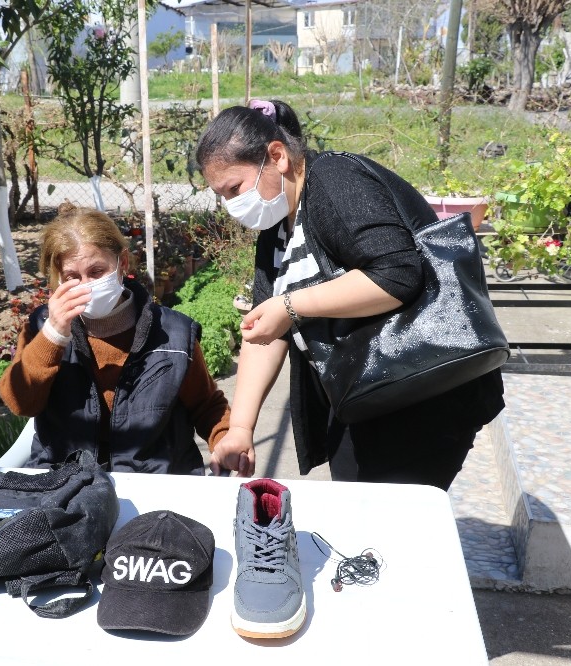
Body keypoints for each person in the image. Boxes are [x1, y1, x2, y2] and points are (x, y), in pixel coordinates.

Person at [195, 99, 505, 490]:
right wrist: (240, 428)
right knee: (360, 514)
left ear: (277, 157)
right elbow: (264, 328)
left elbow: (397, 274)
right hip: (367, 392)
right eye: (221, 195)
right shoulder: (275, 229)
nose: (231, 205)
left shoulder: (334, 180)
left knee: (383, 529)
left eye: (234, 188)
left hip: (424, 392)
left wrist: (290, 306)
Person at [0, 204, 239, 475]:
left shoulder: (173, 332)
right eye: (72, 277)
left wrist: (225, 439)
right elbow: (20, 402)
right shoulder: (43, 327)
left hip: (155, 481)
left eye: (97, 271)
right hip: (66, 482)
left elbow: (206, 405)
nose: (86, 285)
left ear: (122, 263)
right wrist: (54, 334)